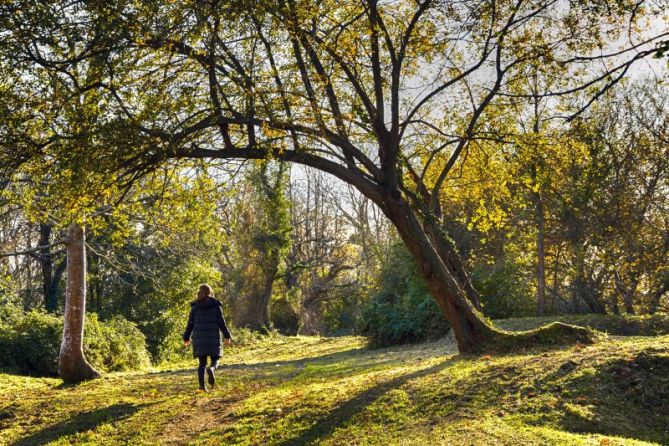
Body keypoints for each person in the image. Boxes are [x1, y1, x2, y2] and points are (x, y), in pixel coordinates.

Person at [183, 284, 233, 392]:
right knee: (216, 358)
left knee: (202, 363)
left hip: (199, 338)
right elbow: (221, 322)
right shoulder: (215, 305)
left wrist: (186, 337)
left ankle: (202, 386)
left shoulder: (195, 306)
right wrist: (227, 336)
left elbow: (190, 324)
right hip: (213, 337)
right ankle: (212, 369)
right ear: (210, 292)